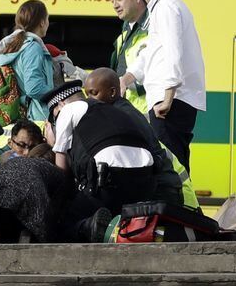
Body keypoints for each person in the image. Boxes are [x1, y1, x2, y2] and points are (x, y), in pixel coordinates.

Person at [46, 80, 183, 241]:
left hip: (108, 181)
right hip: (146, 184)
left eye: (54, 116)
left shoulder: (68, 110)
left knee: (64, 222)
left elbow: (61, 172)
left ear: (60, 105)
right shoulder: (117, 110)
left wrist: (52, 144)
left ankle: (89, 227)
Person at [120, 0, 206, 172]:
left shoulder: (166, 7)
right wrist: (128, 77)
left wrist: (167, 97)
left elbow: (172, 52)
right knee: (174, 163)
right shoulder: (167, 6)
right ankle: (180, 205)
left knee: (171, 166)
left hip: (170, 102)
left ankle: (179, 205)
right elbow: (153, 51)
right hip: (173, 99)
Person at [84, 68, 198, 210]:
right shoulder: (122, 110)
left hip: (162, 191)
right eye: (87, 94)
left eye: (94, 93)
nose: (89, 100)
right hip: (165, 186)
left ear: (112, 92)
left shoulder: (120, 117)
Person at [0, 0, 55, 121]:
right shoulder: (33, 48)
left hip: (19, 113)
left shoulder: (13, 45)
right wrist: (58, 95)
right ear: (42, 22)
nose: (48, 23)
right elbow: (34, 88)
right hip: (36, 116)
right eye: (47, 19)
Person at [109, 0, 150, 113]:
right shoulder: (126, 29)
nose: (115, 5)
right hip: (128, 111)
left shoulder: (153, 27)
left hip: (147, 112)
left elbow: (152, 72)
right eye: (112, 0)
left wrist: (124, 82)